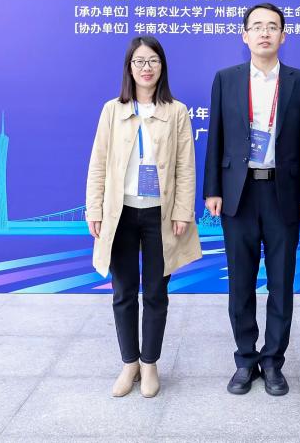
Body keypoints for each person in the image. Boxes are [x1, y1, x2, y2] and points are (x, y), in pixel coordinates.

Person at [204, 2, 300, 396]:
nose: (264, 33)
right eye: (257, 26)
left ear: (283, 36)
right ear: (245, 35)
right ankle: (244, 359)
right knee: (240, 281)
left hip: (282, 192)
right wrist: (212, 189)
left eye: (272, 26)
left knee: (281, 282)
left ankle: (272, 362)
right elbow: (216, 137)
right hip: (238, 194)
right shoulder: (226, 79)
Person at [85, 36, 202, 398]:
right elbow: (98, 163)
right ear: (129, 68)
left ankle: (149, 363)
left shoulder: (177, 111)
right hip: (120, 214)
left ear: (162, 67)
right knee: (123, 291)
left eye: (153, 61)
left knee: (155, 292)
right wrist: (94, 209)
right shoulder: (112, 110)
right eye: (139, 61)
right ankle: (129, 363)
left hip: (160, 215)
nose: (146, 68)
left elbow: (185, 167)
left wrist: (182, 210)